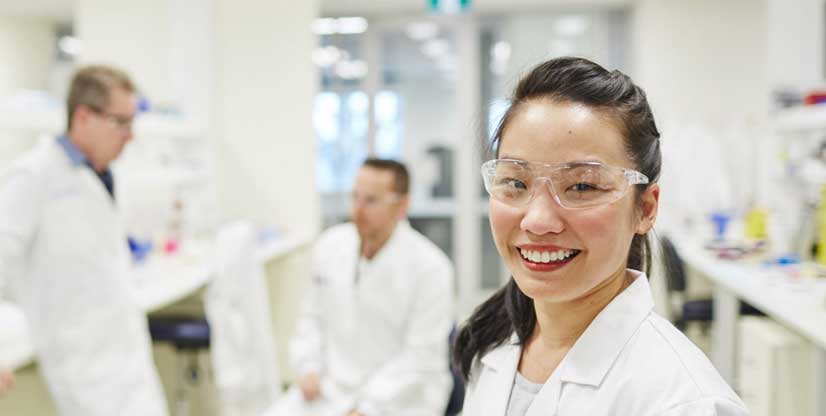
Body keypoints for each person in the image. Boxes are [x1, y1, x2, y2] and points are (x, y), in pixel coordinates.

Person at [453, 57, 749, 416]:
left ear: (645, 208)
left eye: (582, 186)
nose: (538, 220)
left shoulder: (685, 403)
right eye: (515, 182)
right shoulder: (491, 344)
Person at [0, 65, 168, 415]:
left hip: (127, 358)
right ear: (83, 117)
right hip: (84, 368)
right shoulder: (33, 176)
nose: (130, 135)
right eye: (120, 123)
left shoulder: (102, 176)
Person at [267, 158, 455, 416]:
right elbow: (311, 319)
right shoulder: (330, 246)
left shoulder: (431, 268)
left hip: (403, 399)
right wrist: (308, 366)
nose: (358, 208)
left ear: (402, 205)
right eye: (355, 197)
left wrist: (367, 408)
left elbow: (420, 356)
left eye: (371, 200)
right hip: (330, 389)